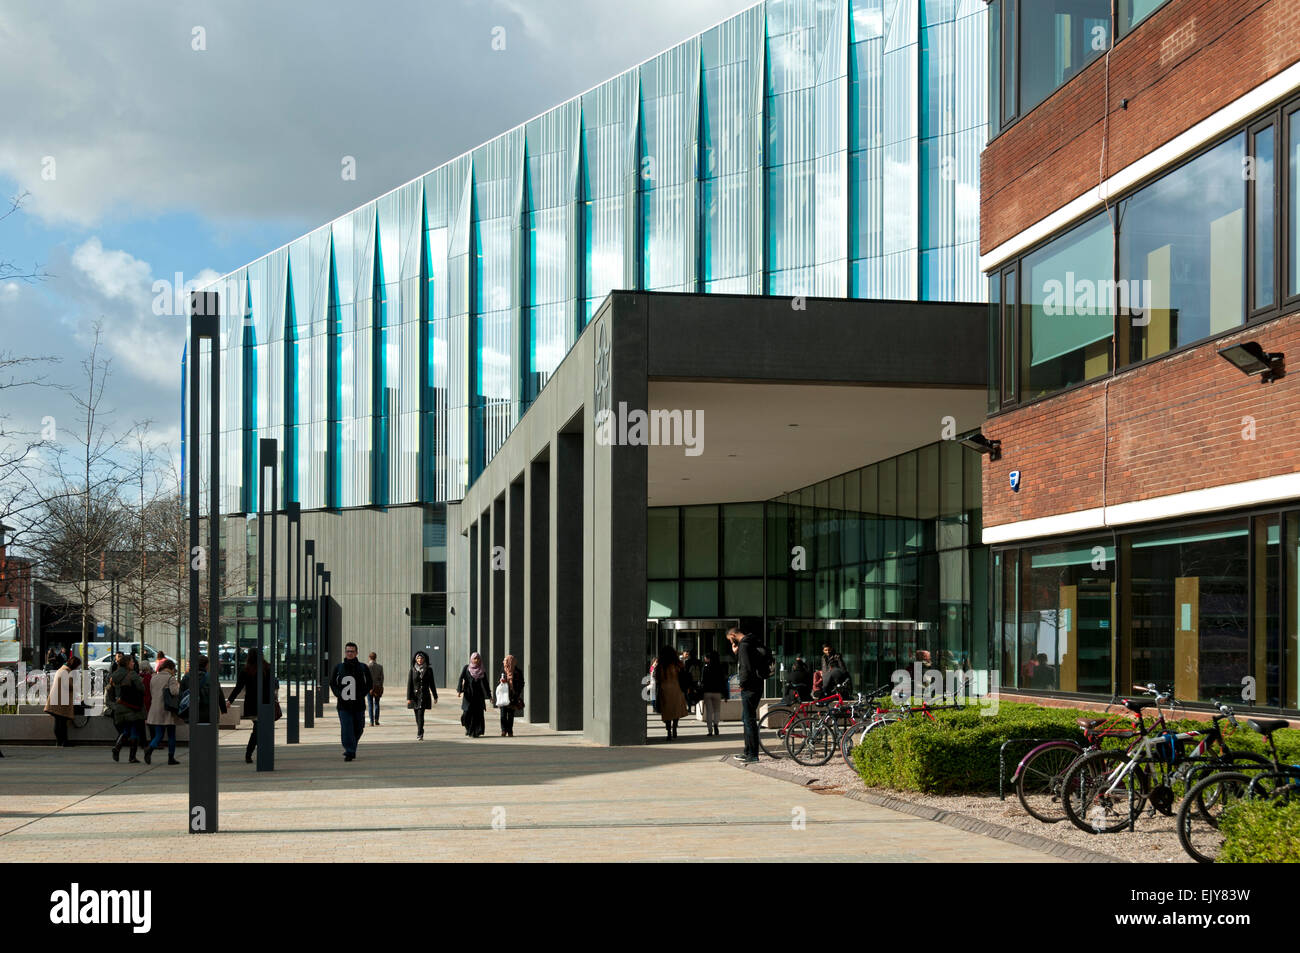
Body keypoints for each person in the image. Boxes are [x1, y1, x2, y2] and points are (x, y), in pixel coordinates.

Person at [227, 649, 276, 764]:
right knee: (260, 729)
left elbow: (238, 687)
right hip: (266, 703)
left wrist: (230, 700)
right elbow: (272, 686)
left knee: (258, 729)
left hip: (252, 704)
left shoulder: (246, 670)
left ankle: (250, 753)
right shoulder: (268, 668)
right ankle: (253, 752)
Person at [330, 642, 373, 761]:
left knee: (359, 728)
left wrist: (361, 694)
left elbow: (369, 683)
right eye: (348, 651)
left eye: (352, 651)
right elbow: (332, 683)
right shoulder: (339, 667)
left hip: (358, 704)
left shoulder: (363, 667)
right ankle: (349, 751)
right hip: (343, 705)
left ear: (356, 653)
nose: (350, 653)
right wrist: (339, 695)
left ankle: (351, 745)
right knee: (347, 728)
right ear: (345, 652)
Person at [728, 628, 765, 763]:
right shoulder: (752, 642)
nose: (731, 642)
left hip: (750, 687)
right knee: (746, 718)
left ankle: (752, 754)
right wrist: (736, 652)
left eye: (730, 640)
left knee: (749, 720)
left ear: (733, 635)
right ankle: (748, 751)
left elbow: (746, 667)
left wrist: (742, 683)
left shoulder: (744, 645)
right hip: (757, 684)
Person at [107, 654, 146, 762]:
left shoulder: (114, 675)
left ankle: (117, 747)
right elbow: (142, 689)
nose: (133, 663)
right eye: (132, 662)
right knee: (133, 730)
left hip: (120, 706)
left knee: (126, 730)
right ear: (127, 663)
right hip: (132, 706)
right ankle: (131, 757)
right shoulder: (132, 674)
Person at [144, 658, 180, 765]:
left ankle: (150, 749)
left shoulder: (153, 677)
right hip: (168, 710)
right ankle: (171, 758)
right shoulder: (171, 678)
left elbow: (151, 692)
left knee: (159, 734)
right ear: (170, 668)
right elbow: (174, 692)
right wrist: (178, 686)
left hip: (155, 709)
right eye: (174, 669)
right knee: (171, 735)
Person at [44, 655, 81, 747]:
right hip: (61, 701)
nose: (77, 668)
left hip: (57, 699)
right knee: (62, 722)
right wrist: (75, 687)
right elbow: (68, 685)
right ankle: (63, 742)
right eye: (77, 666)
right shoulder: (66, 671)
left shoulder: (61, 669)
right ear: (74, 664)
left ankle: (60, 741)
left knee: (59, 721)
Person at [654, 645, 688, 741]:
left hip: (664, 690)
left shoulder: (661, 665)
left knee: (667, 711)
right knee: (676, 710)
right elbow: (683, 676)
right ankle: (675, 727)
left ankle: (668, 731)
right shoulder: (678, 664)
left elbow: (657, 679)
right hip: (677, 689)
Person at [456, 652, 492, 738]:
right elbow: (461, 678)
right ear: (471, 659)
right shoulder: (466, 668)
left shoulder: (482, 670)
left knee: (477, 714)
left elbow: (485, 683)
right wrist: (459, 690)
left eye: (478, 659)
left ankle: (475, 732)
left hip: (478, 695)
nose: (477, 660)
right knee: (466, 714)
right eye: (475, 658)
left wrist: (489, 695)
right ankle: (468, 728)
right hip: (468, 695)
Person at [406, 651, 438, 740]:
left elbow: (432, 684)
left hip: (424, 696)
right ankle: (421, 729)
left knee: (421, 715)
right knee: (417, 716)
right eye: (418, 658)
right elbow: (410, 685)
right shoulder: (412, 670)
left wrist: (435, 696)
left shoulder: (429, 670)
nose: (420, 660)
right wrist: (408, 698)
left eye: (421, 658)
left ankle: (419, 733)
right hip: (414, 696)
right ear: (416, 660)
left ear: (424, 659)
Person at [700, 649, 727, 736]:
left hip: (707, 692)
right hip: (717, 692)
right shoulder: (720, 668)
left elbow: (703, 681)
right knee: (717, 710)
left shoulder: (705, 668)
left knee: (709, 712)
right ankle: (716, 724)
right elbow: (723, 681)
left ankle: (710, 730)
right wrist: (725, 693)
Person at [194, 654, 227, 723]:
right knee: (210, 732)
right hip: (210, 710)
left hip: (193, 710)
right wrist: (223, 708)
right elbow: (219, 694)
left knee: (195, 732)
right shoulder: (212, 678)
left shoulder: (188, 677)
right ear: (207, 665)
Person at [497, 654, 524, 737]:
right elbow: (498, 682)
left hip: (513, 695)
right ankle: (503, 730)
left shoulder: (518, 672)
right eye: (506, 661)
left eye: (508, 661)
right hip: (504, 695)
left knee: (511, 714)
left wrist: (517, 691)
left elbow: (522, 683)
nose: (506, 663)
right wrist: (502, 681)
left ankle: (510, 731)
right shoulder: (503, 670)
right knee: (503, 714)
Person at [367, 651, 385, 726]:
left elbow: (366, 678)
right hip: (377, 687)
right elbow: (382, 678)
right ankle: (376, 720)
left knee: (370, 704)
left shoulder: (367, 666)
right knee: (377, 703)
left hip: (369, 687)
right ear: (375, 658)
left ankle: (371, 721)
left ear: (369, 658)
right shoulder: (380, 667)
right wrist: (380, 685)